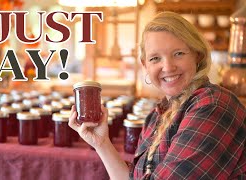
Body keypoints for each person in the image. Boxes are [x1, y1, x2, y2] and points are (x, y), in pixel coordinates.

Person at [69, 11, 246, 180]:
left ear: (197, 56)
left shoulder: (212, 105)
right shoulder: (158, 115)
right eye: (155, 58)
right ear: (145, 65)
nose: (168, 67)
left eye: (178, 54)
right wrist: (101, 143)